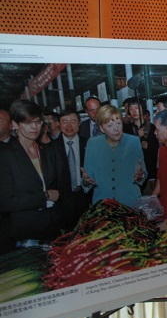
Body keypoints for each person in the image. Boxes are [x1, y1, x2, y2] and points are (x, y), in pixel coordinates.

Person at [0, 99, 70, 253]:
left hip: (55, 228)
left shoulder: (49, 151)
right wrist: (44, 196)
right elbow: (5, 202)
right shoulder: (5, 155)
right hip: (25, 232)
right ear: (15, 125)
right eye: (27, 122)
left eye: (37, 122)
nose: (34, 127)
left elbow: (62, 189)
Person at [81, 104, 146, 206]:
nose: (116, 128)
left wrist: (140, 175)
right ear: (101, 128)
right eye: (110, 125)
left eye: (119, 123)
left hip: (130, 204)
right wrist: (86, 182)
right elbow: (87, 179)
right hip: (103, 205)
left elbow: (142, 174)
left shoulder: (133, 141)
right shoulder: (93, 144)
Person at [123, 97, 159, 190]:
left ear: (142, 109)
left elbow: (157, 150)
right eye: (131, 109)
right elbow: (124, 150)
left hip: (150, 170)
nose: (134, 111)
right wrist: (137, 138)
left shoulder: (152, 127)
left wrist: (149, 146)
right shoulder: (126, 129)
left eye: (136, 108)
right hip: (132, 173)